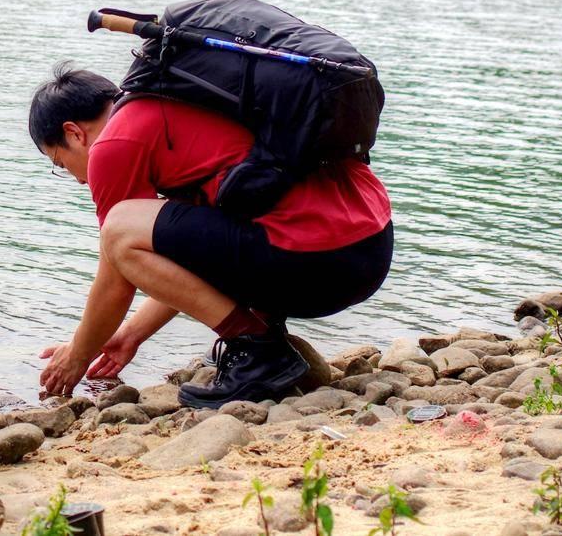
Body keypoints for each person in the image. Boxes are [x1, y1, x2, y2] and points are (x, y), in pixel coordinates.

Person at [29, 62, 393, 408]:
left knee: (120, 228)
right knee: (167, 228)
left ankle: (258, 352)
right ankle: (262, 343)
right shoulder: (177, 106)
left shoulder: (113, 145)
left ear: (74, 133)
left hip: (321, 263)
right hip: (368, 250)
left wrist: (77, 356)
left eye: (60, 163)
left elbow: (115, 276)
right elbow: (188, 263)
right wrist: (131, 335)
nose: (78, 179)